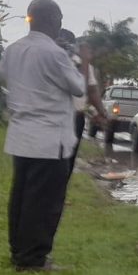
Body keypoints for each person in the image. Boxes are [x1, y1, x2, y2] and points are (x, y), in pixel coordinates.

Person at [0, 0, 87, 272]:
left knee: (22, 198)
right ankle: (34, 259)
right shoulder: (55, 54)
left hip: (21, 135)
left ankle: (18, 252)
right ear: (53, 20)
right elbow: (78, 87)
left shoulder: (13, 50)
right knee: (44, 202)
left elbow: (3, 76)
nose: (60, 24)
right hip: (49, 139)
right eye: (59, 19)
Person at [55, 29, 108, 178]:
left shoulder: (80, 63)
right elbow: (79, 88)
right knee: (54, 160)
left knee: (67, 161)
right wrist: (85, 60)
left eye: (66, 43)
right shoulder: (52, 61)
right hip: (54, 117)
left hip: (75, 119)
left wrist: (101, 113)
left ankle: (59, 195)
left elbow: (91, 91)